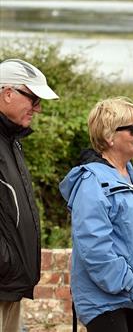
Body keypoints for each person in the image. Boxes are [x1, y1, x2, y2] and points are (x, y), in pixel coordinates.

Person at [58, 97, 133, 332]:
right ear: (109, 136)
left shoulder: (129, 176)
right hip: (107, 302)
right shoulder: (92, 182)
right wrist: (127, 282)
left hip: (131, 299)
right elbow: (93, 245)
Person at [0, 58, 58, 332]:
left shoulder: (12, 140)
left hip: (8, 285)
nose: (38, 107)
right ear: (7, 93)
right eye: (33, 98)